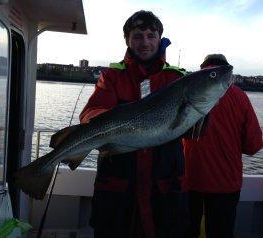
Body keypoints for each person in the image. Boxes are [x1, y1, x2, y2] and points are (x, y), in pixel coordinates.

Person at [79, 10, 188, 238]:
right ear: (127, 40)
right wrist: (108, 123)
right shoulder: (112, 76)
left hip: (164, 188)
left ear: (160, 38)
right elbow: (90, 112)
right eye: (137, 36)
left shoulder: (177, 79)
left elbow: (197, 132)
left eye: (151, 35)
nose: (145, 42)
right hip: (119, 188)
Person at [183, 54, 263, 238]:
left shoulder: (187, 89)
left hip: (189, 181)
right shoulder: (240, 97)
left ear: (203, 68)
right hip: (225, 186)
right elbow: (253, 145)